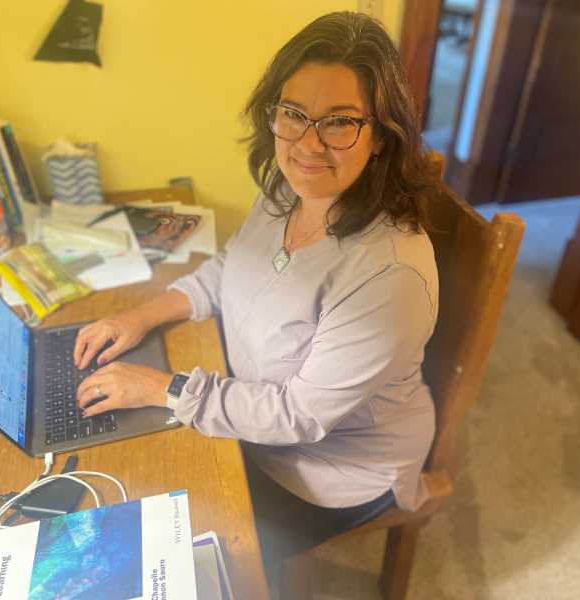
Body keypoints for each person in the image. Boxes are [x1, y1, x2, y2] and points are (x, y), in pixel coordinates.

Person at [73, 11, 441, 567]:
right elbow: (229, 267)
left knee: (165, 545)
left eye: (339, 122)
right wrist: (141, 317)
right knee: (117, 477)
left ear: (382, 139)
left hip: (328, 472)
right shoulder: (288, 191)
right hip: (249, 416)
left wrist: (161, 389)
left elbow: (298, 416)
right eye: (294, 114)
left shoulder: (391, 276)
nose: (308, 144)